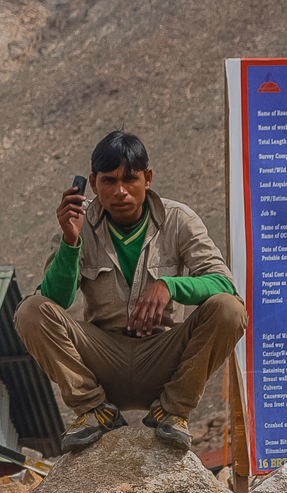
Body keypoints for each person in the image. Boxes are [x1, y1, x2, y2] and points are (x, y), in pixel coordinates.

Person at [14, 131, 248, 453]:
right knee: (30, 310)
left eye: (130, 179)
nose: (120, 191)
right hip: (102, 359)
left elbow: (225, 285)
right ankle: (96, 411)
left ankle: (173, 411)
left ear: (147, 178)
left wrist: (170, 285)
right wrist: (70, 242)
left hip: (163, 358)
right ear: (93, 185)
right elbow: (55, 300)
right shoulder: (79, 225)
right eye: (109, 181)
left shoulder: (178, 220)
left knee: (229, 310)